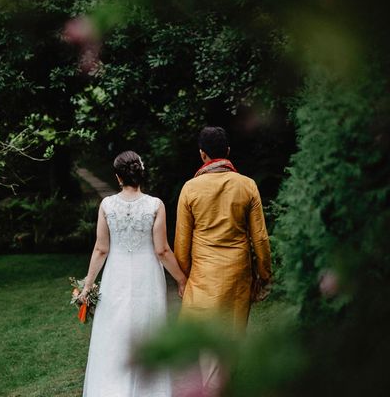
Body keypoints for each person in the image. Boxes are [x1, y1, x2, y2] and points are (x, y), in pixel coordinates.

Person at [80, 150, 187, 397]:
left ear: (118, 177)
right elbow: (162, 250)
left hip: (115, 275)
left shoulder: (107, 205)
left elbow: (101, 248)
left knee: (113, 333)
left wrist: (88, 284)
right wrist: (181, 279)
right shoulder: (155, 205)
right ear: (140, 173)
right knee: (147, 329)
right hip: (147, 276)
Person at [174, 126, 272, 332]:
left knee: (202, 335)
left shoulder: (190, 188)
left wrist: (182, 279)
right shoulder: (248, 185)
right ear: (227, 151)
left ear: (202, 154)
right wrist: (264, 275)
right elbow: (260, 238)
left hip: (202, 275)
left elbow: (182, 242)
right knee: (232, 335)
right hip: (238, 274)